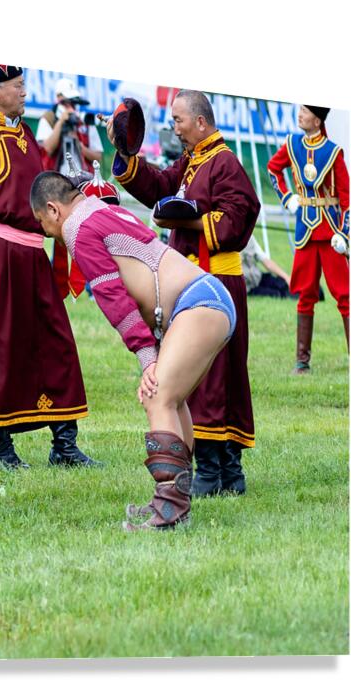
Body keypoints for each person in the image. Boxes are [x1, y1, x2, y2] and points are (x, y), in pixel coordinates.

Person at [30, 172, 236, 530]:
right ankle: (174, 502)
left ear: (53, 209)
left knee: (157, 396)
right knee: (174, 398)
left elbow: (113, 296)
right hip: (205, 298)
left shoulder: (77, 227)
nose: (47, 232)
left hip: (197, 303)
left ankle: (169, 511)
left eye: (43, 222)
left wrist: (147, 357)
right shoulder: (99, 209)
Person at [0, 63, 95, 471]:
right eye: (19, 86)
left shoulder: (25, 133)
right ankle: (1, 451)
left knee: (55, 342)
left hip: (33, 254)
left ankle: (65, 444)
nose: (26, 93)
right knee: (0, 350)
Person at [107, 89, 259, 497]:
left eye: (178, 120)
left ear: (201, 122)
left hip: (218, 280)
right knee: (202, 376)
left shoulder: (225, 163)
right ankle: (218, 468)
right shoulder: (193, 161)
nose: (173, 126)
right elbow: (159, 185)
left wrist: (191, 223)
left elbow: (241, 215)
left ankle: (221, 468)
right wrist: (127, 158)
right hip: (191, 283)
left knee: (219, 377)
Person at [266, 104, 350, 373]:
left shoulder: (334, 152)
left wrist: (345, 234)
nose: (299, 114)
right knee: (305, 294)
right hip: (305, 230)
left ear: (317, 119)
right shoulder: (292, 144)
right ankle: (302, 361)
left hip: (330, 234)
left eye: (304, 110)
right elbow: (272, 170)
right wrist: (287, 197)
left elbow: (347, 200)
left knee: (345, 295)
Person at [36, 78, 103, 175]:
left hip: (83, 177)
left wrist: (80, 146)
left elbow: (97, 156)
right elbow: (48, 149)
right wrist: (61, 122)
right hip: (56, 181)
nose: (72, 107)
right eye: (68, 102)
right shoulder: (48, 118)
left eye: (74, 102)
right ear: (58, 98)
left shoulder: (84, 120)